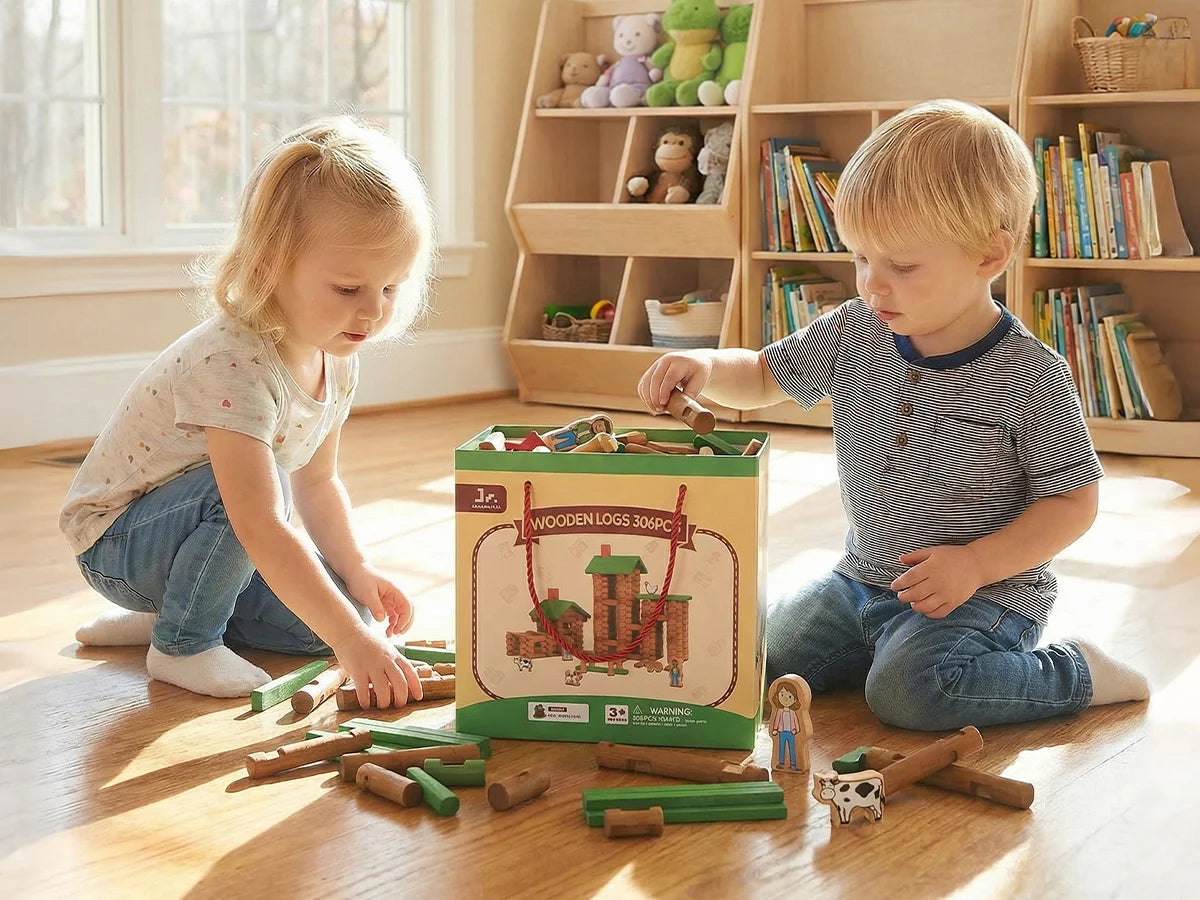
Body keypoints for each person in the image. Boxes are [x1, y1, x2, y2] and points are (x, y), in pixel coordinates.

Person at [638, 100, 1150, 730]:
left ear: (990, 256)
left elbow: (1074, 505)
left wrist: (977, 565)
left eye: (902, 267)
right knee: (746, 657)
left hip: (980, 595)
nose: (871, 285)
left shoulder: (1028, 373)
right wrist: (712, 372)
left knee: (909, 694)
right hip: (858, 582)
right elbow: (767, 377)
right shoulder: (859, 332)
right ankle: (878, 650)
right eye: (861, 259)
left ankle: (1076, 673)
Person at [61, 117, 435, 705]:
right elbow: (257, 521)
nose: (372, 313)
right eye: (347, 289)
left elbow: (319, 480)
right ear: (268, 266)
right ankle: (182, 643)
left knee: (347, 615)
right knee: (251, 506)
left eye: (390, 288)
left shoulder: (336, 353)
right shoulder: (232, 361)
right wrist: (354, 645)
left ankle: (171, 609)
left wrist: (357, 580)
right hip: (115, 543)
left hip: (202, 534)